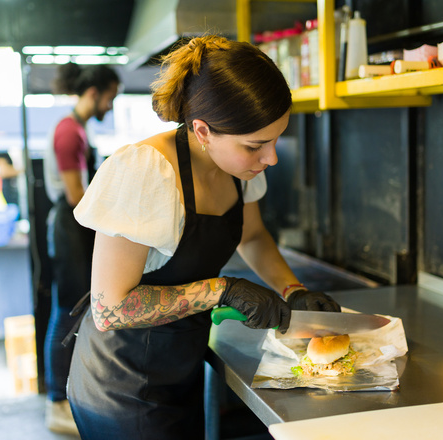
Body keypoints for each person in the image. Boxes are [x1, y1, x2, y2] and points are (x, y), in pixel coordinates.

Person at [67, 35, 340, 440]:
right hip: (121, 385)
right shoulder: (145, 172)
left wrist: (294, 289)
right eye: (256, 145)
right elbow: (111, 310)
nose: (271, 158)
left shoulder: (237, 170)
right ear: (203, 130)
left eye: (276, 138)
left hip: (179, 367)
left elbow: (253, 236)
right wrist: (222, 290)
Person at [43, 62, 120, 434]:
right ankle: (57, 401)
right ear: (94, 93)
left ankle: (68, 395)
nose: (110, 106)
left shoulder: (77, 129)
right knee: (66, 311)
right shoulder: (68, 133)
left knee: (74, 309)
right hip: (69, 228)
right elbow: (76, 196)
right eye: (110, 97)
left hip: (76, 227)